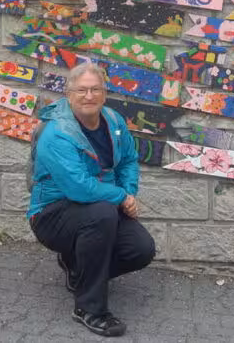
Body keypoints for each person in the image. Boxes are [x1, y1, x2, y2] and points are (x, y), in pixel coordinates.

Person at [27, 63, 155, 337]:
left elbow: (128, 160)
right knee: (102, 214)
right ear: (69, 94)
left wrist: (129, 192)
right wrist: (121, 197)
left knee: (141, 249)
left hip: (101, 206)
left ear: (104, 93)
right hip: (52, 214)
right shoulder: (57, 133)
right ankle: (89, 309)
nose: (89, 96)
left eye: (95, 89)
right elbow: (79, 188)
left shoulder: (114, 121)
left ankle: (76, 268)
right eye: (82, 90)